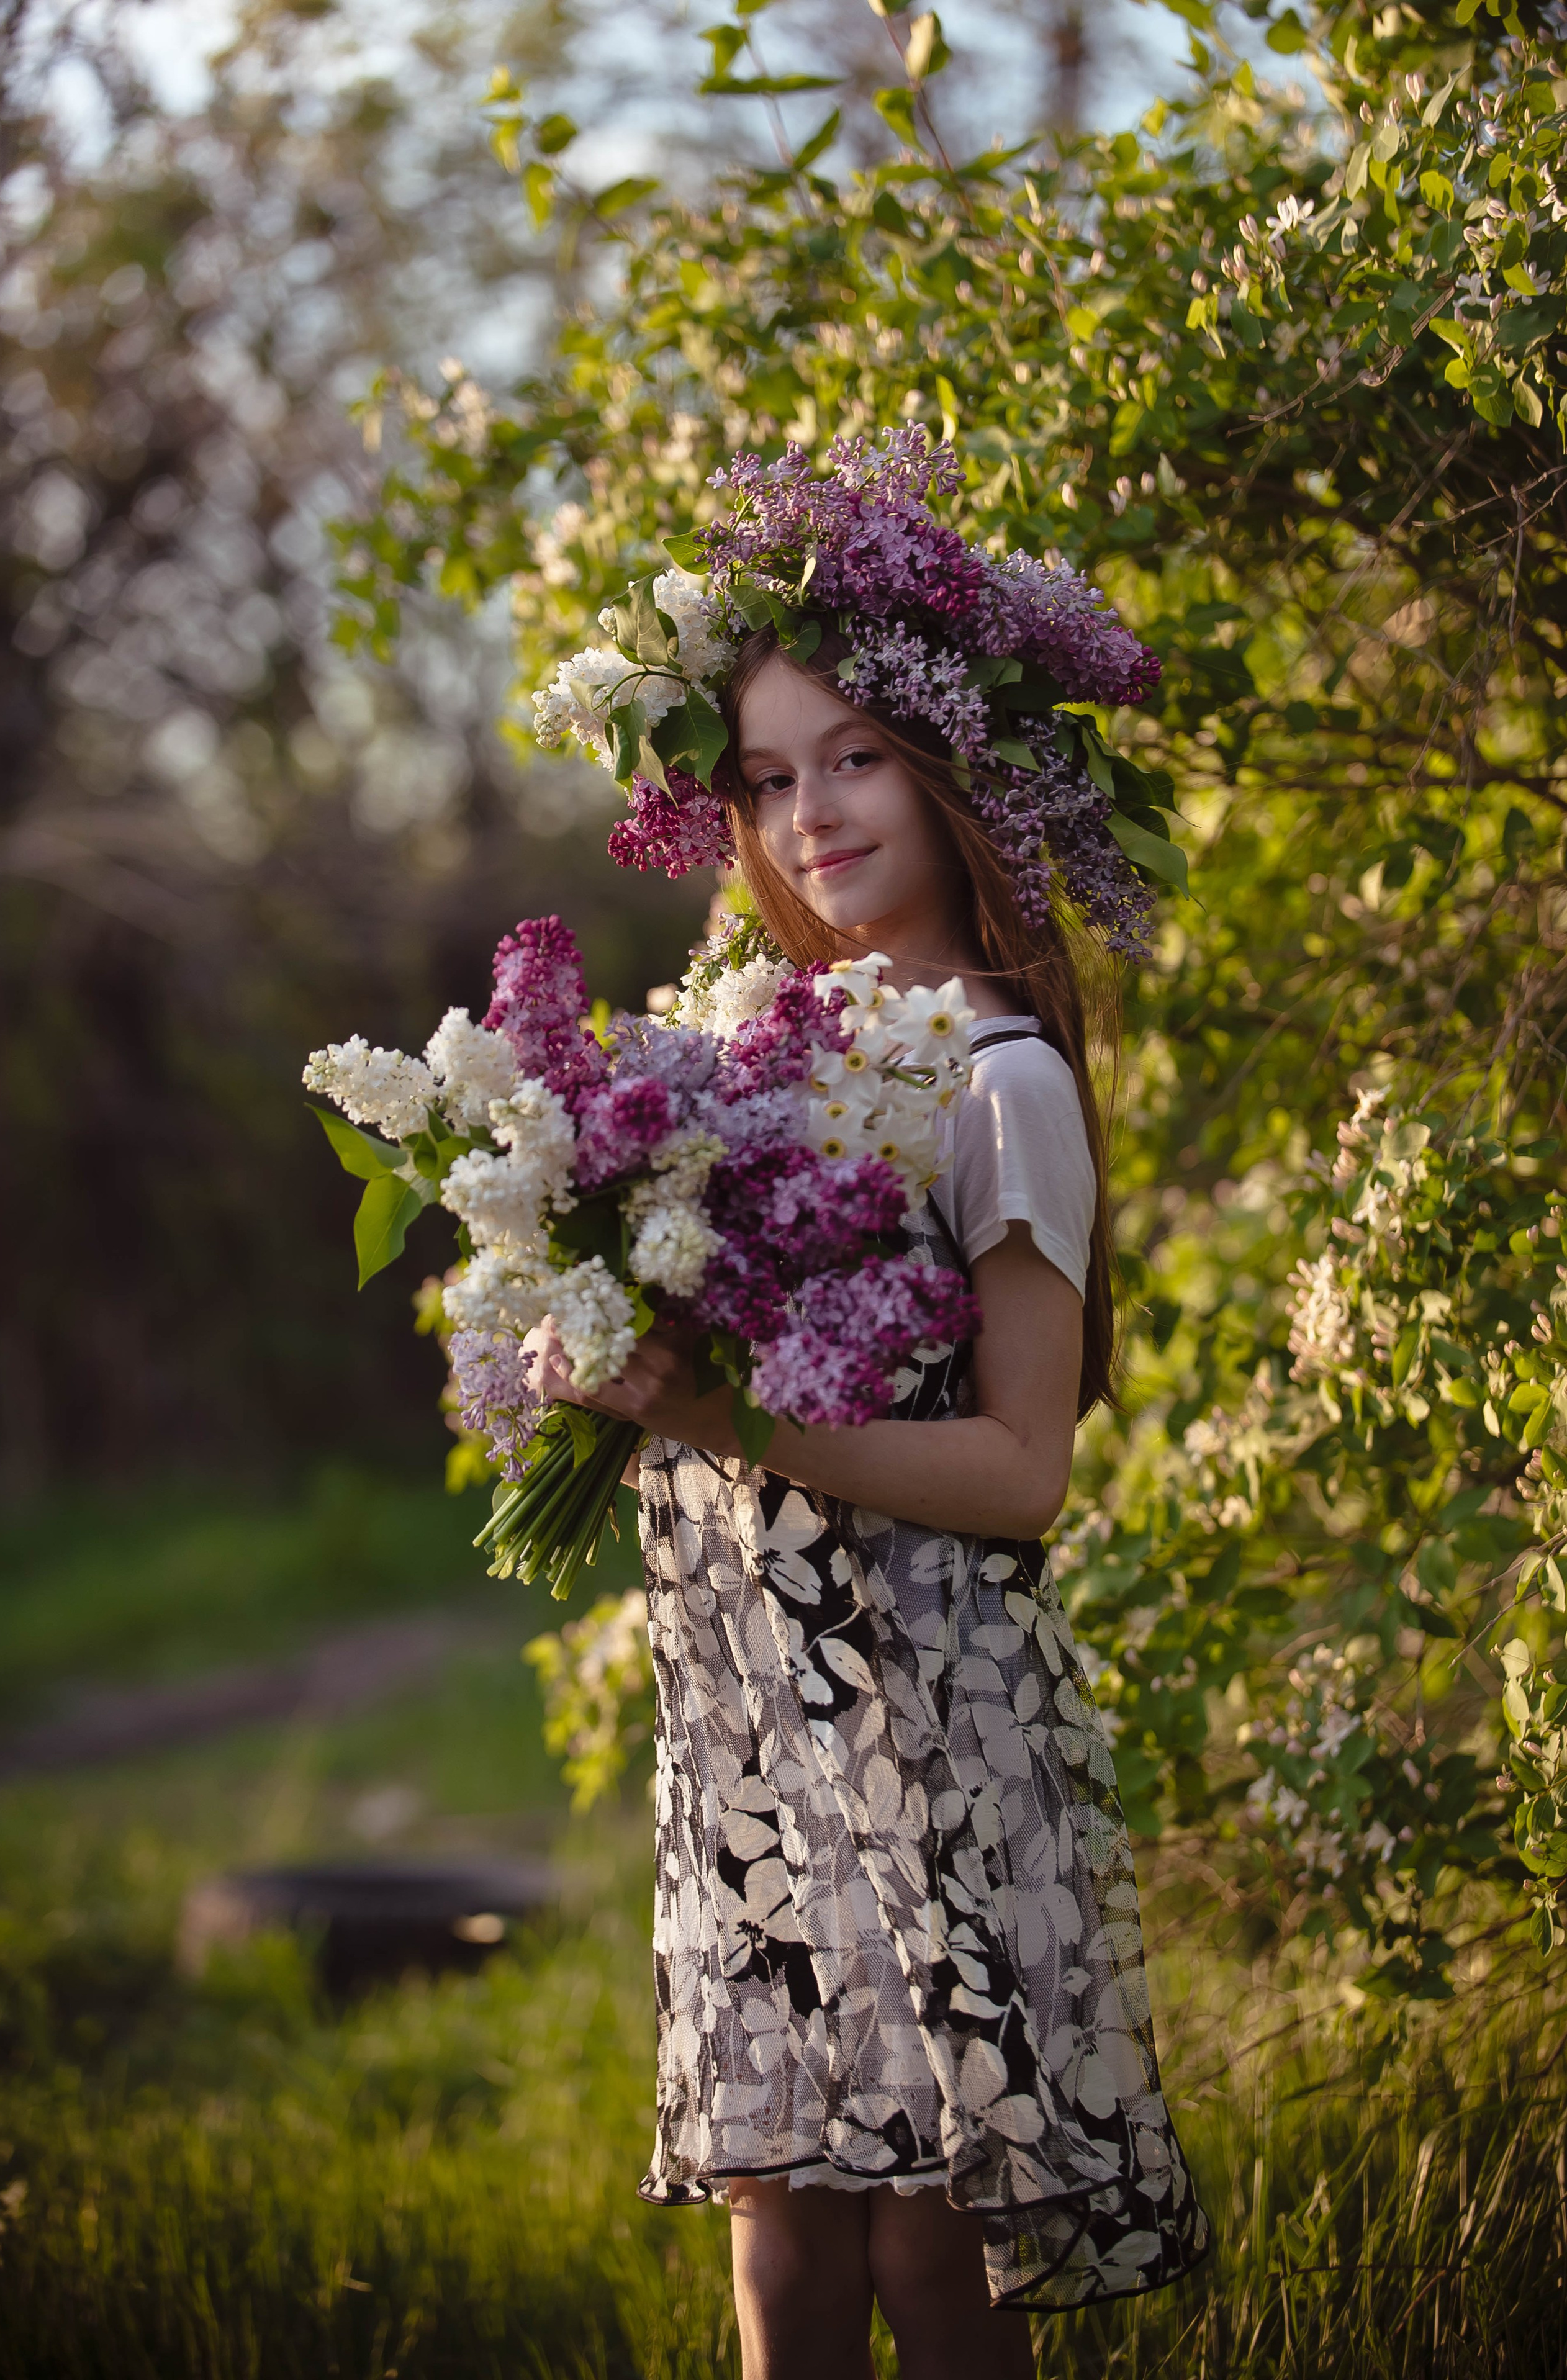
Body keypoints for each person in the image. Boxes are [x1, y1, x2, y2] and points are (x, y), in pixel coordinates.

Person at [526, 610, 1209, 2379]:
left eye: (855, 756)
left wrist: (733, 1421)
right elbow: (699, 1352)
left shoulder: (1003, 1080)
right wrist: (589, 1326)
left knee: (927, 2244)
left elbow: (1022, 1464)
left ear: (946, 768)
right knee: (786, 2257)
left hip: (932, 1721)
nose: (809, 809)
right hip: (765, 1718)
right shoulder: (753, 1056)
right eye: (766, 776)